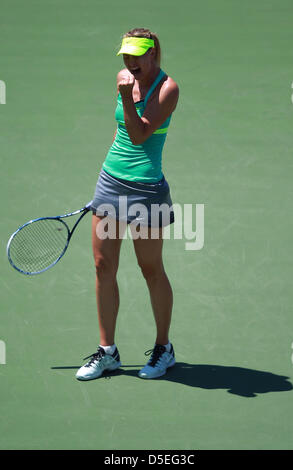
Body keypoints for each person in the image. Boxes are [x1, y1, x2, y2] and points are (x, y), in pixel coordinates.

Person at [76, 28, 179, 381]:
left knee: (150, 269)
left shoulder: (168, 89)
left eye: (137, 54)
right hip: (110, 183)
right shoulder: (124, 78)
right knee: (103, 266)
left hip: (147, 192)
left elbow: (138, 135)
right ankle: (108, 352)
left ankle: (164, 348)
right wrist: (124, 91)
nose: (130, 61)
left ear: (153, 54)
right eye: (126, 54)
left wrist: (125, 97)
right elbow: (121, 136)